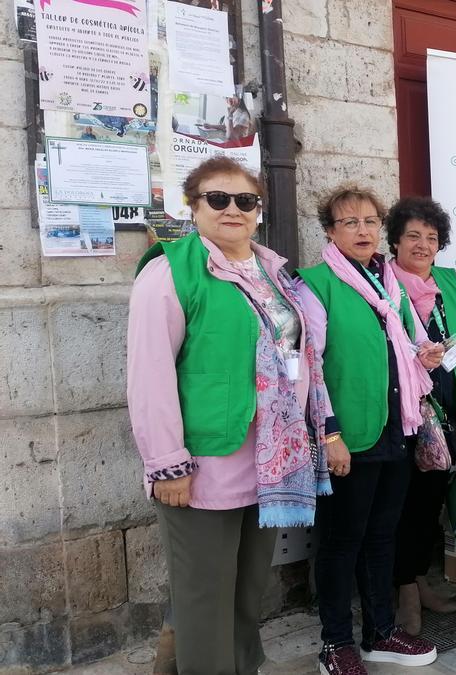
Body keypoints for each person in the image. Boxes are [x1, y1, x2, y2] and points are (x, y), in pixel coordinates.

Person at [127, 156, 334, 674]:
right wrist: (167, 462)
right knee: (203, 596)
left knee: (247, 592)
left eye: (245, 200)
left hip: (270, 461)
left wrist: (322, 431)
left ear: (258, 211)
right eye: (217, 199)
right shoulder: (170, 272)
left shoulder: (274, 271)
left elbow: (304, 358)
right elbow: (149, 374)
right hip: (204, 463)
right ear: (193, 207)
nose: (232, 209)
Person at [296, 185, 444, 673]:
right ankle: (335, 644)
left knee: (383, 536)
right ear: (330, 232)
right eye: (349, 223)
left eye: (369, 221)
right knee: (342, 541)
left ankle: (380, 632)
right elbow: (310, 365)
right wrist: (330, 433)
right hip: (347, 434)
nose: (362, 230)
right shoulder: (315, 284)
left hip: (395, 428)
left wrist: (426, 354)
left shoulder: (389, 281)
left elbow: (410, 339)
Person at [388, 197, 456, 634]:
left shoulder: (451, 284)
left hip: (446, 420)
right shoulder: (381, 285)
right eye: (413, 235)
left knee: (428, 506)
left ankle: (418, 583)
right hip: (401, 420)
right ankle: (403, 595)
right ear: (394, 239)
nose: (423, 244)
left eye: (431, 237)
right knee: (400, 509)